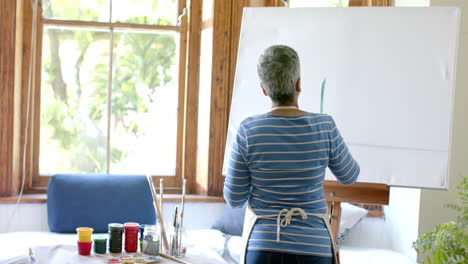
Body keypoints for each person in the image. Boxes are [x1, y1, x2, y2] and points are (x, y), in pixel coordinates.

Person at [223, 45, 360, 264]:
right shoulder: (324, 127)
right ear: (298, 83)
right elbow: (349, 175)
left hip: (263, 246)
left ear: (264, 89)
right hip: (315, 248)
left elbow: (234, 199)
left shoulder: (248, 130)